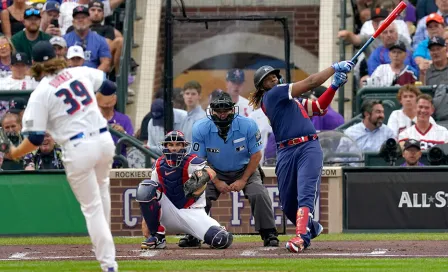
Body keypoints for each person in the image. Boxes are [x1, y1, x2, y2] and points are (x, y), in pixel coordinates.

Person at [5, 41, 118, 272]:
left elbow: (35, 139)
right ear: (59, 55)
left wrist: (15, 152)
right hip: (104, 140)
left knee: (92, 208)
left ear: (34, 64)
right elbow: (110, 87)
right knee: (102, 192)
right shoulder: (79, 72)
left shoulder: (41, 92)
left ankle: (108, 264)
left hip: (78, 147)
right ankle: (105, 251)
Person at [248, 60, 354, 252]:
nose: (272, 79)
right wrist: (334, 67)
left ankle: (301, 238)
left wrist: (333, 86)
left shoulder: (290, 100)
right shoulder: (273, 95)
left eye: (273, 76)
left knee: (305, 192)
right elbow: (312, 82)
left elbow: (319, 108)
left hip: (308, 146)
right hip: (286, 151)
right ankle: (311, 227)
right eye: (266, 79)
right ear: (261, 87)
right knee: (288, 204)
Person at [192, 92, 279, 247]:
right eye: (218, 111)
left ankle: (269, 233)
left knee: (259, 193)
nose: (222, 115)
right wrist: (216, 181)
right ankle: (192, 234)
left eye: (226, 110)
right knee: (197, 191)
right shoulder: (200, 127)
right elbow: (199, 160)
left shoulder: (248, 125)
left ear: (233, 109)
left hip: (245, 168)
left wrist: (243, 180)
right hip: (213, 169)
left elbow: (256, 155)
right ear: (212, 111)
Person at [136, 130, 233, 250]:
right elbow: (152, 193)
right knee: (146, 187)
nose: (174, 148)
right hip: (168, 211)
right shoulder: (158, 164)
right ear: (165, 146)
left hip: (192, 212)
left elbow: (211, 172)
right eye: (170, 145)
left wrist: (202, 176)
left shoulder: (192, 161)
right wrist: (146, 220)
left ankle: (196, 235)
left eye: (178, 144)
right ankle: (158, 236)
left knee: (221, 240)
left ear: (184, 146)